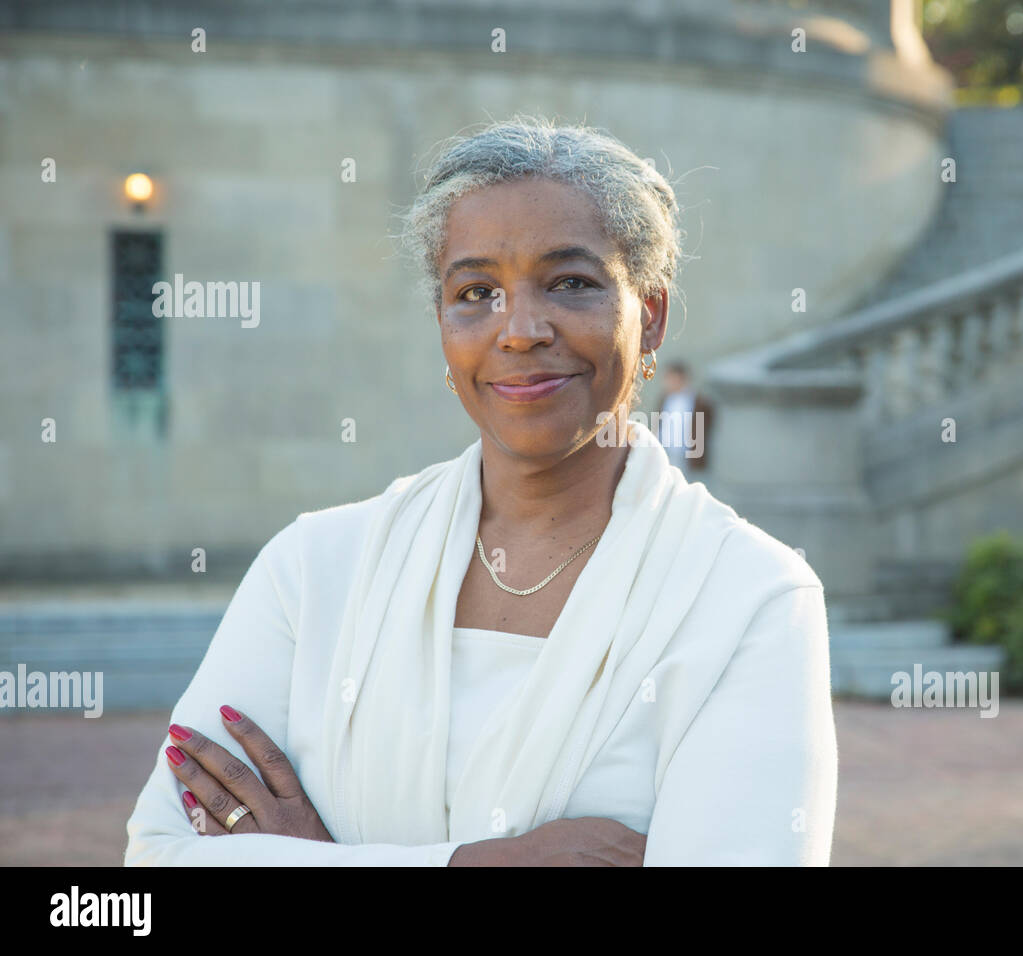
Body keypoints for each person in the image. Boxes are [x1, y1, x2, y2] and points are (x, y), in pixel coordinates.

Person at [124, 115, 837, 866]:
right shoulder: (313, 571)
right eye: (475, 291)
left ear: (649, 316)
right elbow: (160, 859)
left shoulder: (748, 598)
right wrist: (482, 863)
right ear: (441, 322)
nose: (520, 328)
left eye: (571, 283)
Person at [655, 362, 714, 476]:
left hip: (688, 456)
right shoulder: (665, 398)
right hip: (666, 452)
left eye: (671, 378)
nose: (667, 382)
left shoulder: (699, 401)